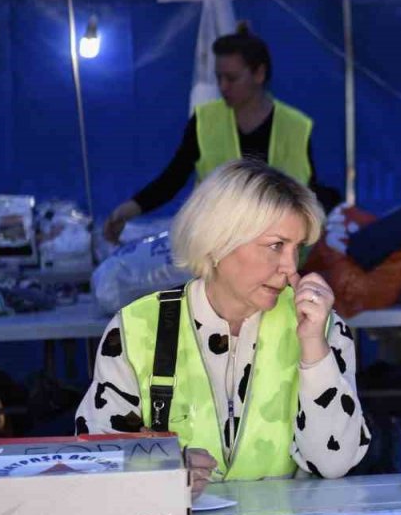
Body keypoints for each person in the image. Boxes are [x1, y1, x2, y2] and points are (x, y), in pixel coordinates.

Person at [77, 160, 369, 495]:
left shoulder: (322, 326)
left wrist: (315, 350)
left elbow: (336, 463)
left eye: (297, 249)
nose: (291, 268)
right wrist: (161, 468)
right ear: (217, 243)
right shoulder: (137, 328)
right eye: (276, 245)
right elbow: (94, 458)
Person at [103, 24, 338, 243]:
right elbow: (173, 177)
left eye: (232, 78)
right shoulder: (205, 121)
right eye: (219, 78)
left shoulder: (296, 127)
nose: (223, 86)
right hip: (217, 247)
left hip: (277, 248)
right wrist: (130, 208)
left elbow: (310, 193)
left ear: (259, 74)